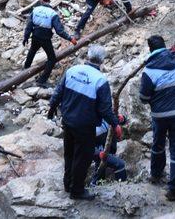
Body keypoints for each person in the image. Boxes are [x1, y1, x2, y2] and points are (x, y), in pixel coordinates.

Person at [48, 45, 121, 200]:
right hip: (85, 125)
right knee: (83, 157)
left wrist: (51, 108)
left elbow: (58, 93)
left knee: (69, 153)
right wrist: (115, 124)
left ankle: (68, 184)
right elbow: (105, 109)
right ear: (102, 61)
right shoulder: (100, 80)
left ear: (88, 56)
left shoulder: (72, 70)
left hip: (68, 121)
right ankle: (77, 191)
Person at [139, 35, 175, 202]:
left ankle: (156, 174)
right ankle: (174, 189)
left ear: (150, 50)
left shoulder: (149, 70)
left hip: (160, 116)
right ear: (165, 46)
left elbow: (143, 98)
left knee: (158, 144)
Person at [23, 0, 77, 87]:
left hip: (35, 35)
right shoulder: (53, 13)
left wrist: (26, 37)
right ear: (49, 1)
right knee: (52, 59)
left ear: (41, 0)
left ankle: (25, 71)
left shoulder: (35, 10)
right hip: (45, 37)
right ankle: (41, 80)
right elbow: (59, 31)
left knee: (32, 51)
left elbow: (29, 25)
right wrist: (70, 38)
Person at [90, 115, 128, 186]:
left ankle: (94, 184)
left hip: (107, 150)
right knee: (120, 164)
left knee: (100, 171)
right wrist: (98, 154)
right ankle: (122, 187)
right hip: (98, 152)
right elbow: (86, 145)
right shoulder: (89, 122)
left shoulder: (105, 113)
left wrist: (122, 119)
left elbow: (122, 120)